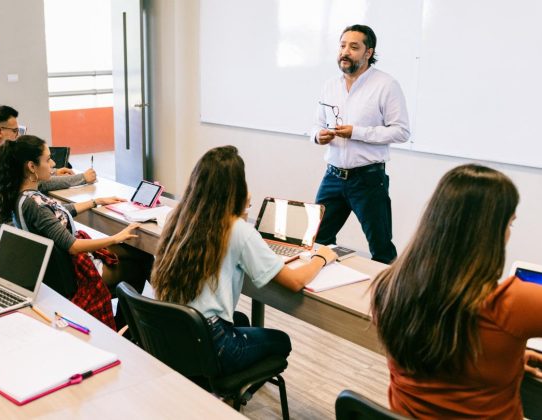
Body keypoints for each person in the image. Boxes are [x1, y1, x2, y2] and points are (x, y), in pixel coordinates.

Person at [371, 164, 542, 418]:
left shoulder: (389, 286)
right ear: (490, 232)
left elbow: (446, 358)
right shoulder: (513, 302)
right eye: (509, 224)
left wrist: (509, 359)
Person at [151, 145, 336, 376]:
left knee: (241, 319)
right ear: (236, 189)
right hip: (210, 341)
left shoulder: (178, 217)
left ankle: (219, 386)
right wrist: (321, 257)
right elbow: (296, 282)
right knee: (281, 341)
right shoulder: (237, 230)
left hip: (171, 332)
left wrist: (240, 213)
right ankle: (228, 395)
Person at [0, 135, 150, 327]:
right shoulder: (35, 205)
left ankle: (126, 324)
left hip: (60, 268)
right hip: (74, 273)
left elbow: (57, 215)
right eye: (48, 159)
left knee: (136, 254)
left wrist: (96, 202)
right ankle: (126, 327)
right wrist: (116, 237)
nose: (53, 163)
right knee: (141, 263)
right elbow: (73, 246)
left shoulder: (23, 196)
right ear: (31, 167)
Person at [311, 24, 410, 264]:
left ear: (368, 52)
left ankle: (387, 300)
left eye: (354, 47)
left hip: (368, 180)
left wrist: (357, 132)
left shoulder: (386, 85)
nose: (345, 52)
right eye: (343, 45)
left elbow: (401, 132)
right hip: (332, 176)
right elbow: (315, 125)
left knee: (381, 248)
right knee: (315, 240)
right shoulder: (329, 85)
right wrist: (317, 136)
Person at [0, 104, 96, 205]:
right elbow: (38, 183)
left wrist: (53, 172)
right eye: (15, 131)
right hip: (3, 226)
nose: (18, 136)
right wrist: (82, 177)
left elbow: (27, 176)